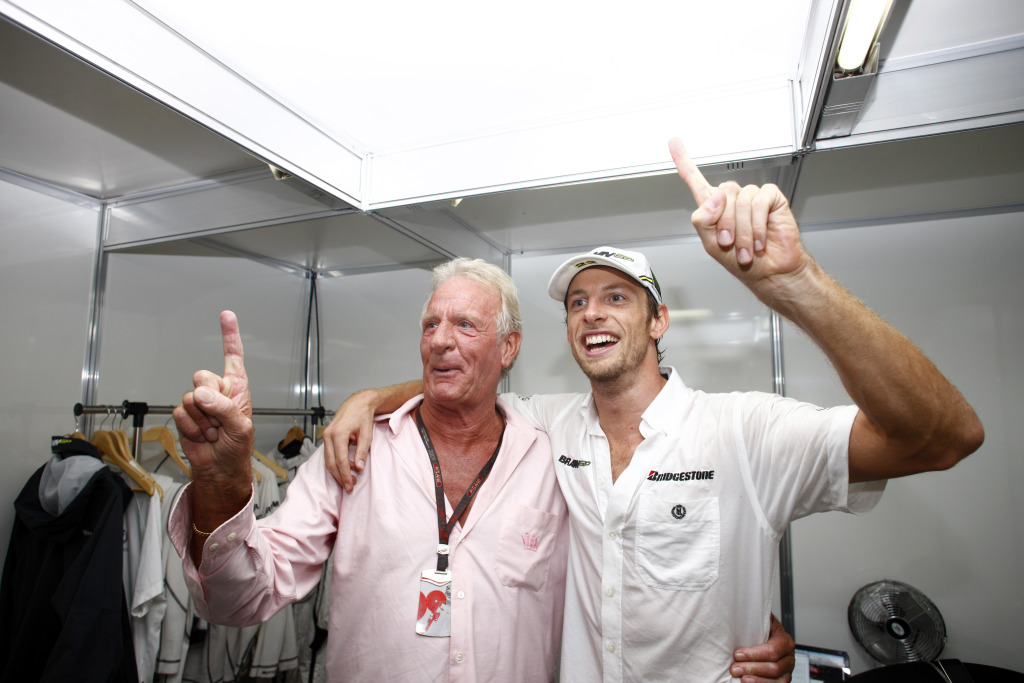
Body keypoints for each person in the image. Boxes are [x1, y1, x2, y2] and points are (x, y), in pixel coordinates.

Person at [322, 139, 985, 682]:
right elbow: (460, 385)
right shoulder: (542, 426)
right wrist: (367, 399)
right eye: (577, 302)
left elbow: (943, 437)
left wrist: (796, 282)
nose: (592, 313)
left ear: (659, 319)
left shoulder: (742, 431)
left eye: (616, 297)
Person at [168, 259, 795, 681]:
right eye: (431, 324)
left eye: (466, 324)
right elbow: (240, 597)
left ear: (510, 348)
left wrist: (739, 625)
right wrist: (221, 482)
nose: (441, 339)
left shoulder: (557, 449)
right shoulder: (354, 451)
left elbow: (628, 565)